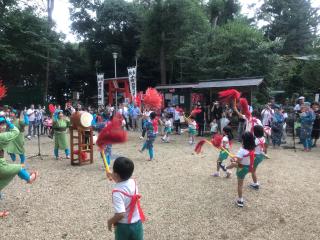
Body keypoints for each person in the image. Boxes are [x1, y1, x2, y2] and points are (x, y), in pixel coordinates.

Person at [0, 117, 38, 218]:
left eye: (4, 124)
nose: (3, 126)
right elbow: (15, 131)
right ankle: (29, 179)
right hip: (0, 166)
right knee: (18, 168)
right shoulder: (2, 136)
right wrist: (10, 123)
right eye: (1, 124)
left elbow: (24, 124)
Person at [107, 157, 145, 240]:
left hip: (124, 227)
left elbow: (121, 214)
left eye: (113, 172)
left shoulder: (117, 192)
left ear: (116, 174)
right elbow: (122, 182)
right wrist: (111, 174)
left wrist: (110, 221)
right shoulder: (133, 182)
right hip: (138, 223)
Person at [226, 132, 256, 208]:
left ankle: (240, 200)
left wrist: (233, 159)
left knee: (240, 185)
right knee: (233, 164)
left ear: (244, 140)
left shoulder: (242, 150)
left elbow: (238, 160)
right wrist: (235, 159)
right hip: (248, 167)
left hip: (241, 168)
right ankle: (227, 168)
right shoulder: (252, 148)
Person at [250, 125, 266, 190]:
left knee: (253, 171)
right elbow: (264, 147)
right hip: (261, 156)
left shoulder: (256, 140)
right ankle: (255, 183)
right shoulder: (263, 138)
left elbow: (252, 147)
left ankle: (256, 184)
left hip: (256, 156)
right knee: (253, 169)